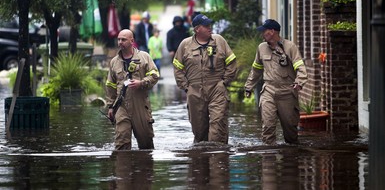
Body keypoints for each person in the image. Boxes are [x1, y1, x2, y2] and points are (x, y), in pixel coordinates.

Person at [172, 14, 237, 144]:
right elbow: (177, 67)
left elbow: (231, 62)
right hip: (195, 91)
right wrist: (186, 87)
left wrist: (224, 82)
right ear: (197, 29)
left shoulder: (219, 41)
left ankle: (217, 157)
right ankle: (200, 159)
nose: (209, 28)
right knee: (199, 130)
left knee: (217, 124)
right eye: (206, 26)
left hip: (217, 88)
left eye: (209, 25)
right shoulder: (185, 45)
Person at [244, 19, 308, 145]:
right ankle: (268, 159)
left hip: (287, 92)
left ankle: (291, 159)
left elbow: (300, 67)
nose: (262, 34)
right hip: (268, 90)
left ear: (272, 31)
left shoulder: (290, 47)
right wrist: (248, 86)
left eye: (264, 31)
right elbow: (256, 69)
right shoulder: (261, 48)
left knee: (290, 132)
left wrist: (299, 82)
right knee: (268, 126)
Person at [105, 29, 159, 150]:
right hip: (121, 107)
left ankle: (144, 167)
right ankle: (123, 168)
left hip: (140, 105)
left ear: (132, 41)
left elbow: (155, 75)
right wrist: (110, 106)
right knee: (121, 144)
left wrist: (142, 83)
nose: (120, 42)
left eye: (123, 39)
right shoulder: (114, 62)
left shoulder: (144, 57)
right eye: (118, 39)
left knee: (146, 145)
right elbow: (110, 85)